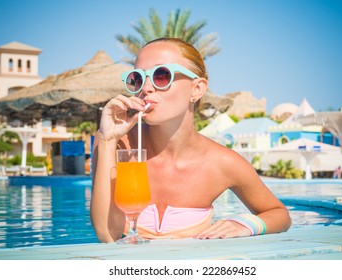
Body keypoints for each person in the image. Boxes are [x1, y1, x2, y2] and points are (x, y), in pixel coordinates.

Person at [91, 38, 291, 242]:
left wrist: (245, 225)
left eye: (161, 75)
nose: (147, 88)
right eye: (138, 79)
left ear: (197, 89)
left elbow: (280, 214)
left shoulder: (222, 163)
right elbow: (108, 235)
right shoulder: (116, 143)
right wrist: (107, 141)